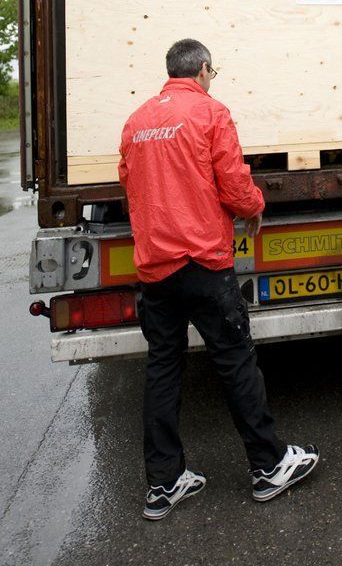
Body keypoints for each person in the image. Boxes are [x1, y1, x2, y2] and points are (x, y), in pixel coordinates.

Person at [119, 38, 318, 521]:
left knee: (163, 367)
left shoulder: (136, 120)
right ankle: (269, 467)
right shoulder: (210, 112)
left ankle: (164, 483)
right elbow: (232, 181)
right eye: (214, 72)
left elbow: (128, 179)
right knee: (234, 360)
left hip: (155, 266)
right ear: (203, 69)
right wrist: (254, 207)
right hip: (203, 261)